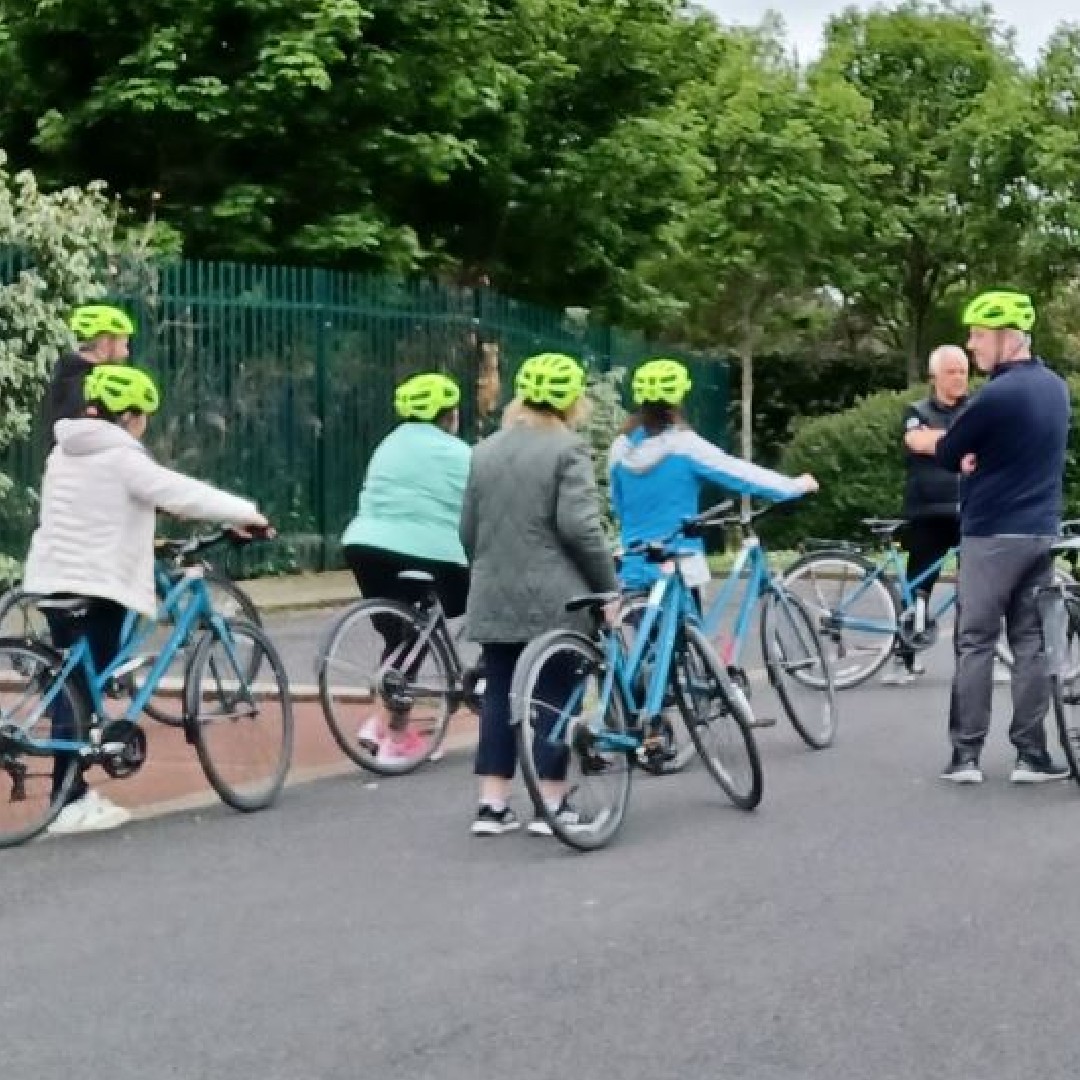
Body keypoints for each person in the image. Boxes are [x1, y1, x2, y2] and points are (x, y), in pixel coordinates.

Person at [23, 365, 269, 835]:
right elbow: (181, 494)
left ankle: (75, 785)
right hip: (98, 584)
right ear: (129, 414)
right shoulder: (122, 457)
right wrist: (247, 513)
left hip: (53, 578)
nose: (145, 424)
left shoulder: (65, 451)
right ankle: (68, 798)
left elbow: (96, 508)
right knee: (78, 687)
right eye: (144, 416)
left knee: (74, 682)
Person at [906, 290, 1071, 784]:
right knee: (1031, 644)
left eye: (979, 335)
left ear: (1006, 338)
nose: (971, 345)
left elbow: (950, 448)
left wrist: (947, 447)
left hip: (989, 535)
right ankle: (1031, 755)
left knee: (975, 642)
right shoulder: (1056, 388)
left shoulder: (995, 395)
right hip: (1040, 533)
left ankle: (966, 756)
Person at [460, 352, 618, 836]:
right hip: (556, 595)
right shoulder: (568, 450)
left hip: (493, 587)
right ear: (572, 401)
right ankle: (551, 802)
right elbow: (580, 528)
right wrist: (607, 587)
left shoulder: (484, 450)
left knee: (498, 695)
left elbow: (467, 529)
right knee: (554, 692)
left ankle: (491, 804)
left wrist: (489, 569)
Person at [340, 372, 472, 766]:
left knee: (403, 635)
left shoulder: (388, 446)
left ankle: (395, 728)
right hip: (424, 549)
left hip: (364, 546)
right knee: (434, 620)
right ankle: (384, 725)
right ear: (450, 415)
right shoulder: (456, 452)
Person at [609, 358, 817, 596]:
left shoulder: (620, 447)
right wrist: (792, 486)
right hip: (679, 562)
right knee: (686, 632)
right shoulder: (685, 445)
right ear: (678, 399)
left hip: (634, 562)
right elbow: (739, 473)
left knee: (647, 632)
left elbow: (618, 503)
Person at [883, 346, 970, 686]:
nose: (959, 378)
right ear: (935, 377)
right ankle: (903, 660)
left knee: (978, 590)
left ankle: (976, 660)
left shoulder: (977, 409)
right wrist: (962, 441)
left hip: (970, 509)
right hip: (928, 510)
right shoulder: (916, 410)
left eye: (963, 371)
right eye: (951, 371)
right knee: (917, 587)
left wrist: (945, 441)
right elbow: (917, 441)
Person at [46, 304, 135, 447]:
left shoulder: (67, 373)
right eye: (124, 345)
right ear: (106, 342)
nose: (126, 353)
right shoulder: (79, 383)